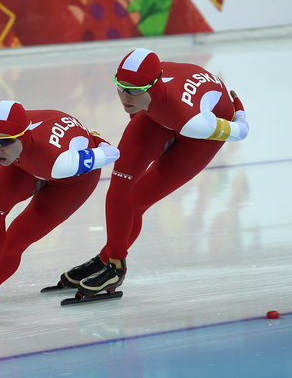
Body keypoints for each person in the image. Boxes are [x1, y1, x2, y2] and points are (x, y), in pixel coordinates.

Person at [60, 48, 249, 297]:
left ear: (152, 85)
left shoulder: (193, 121)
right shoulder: (143, 90)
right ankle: (112, 259)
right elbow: (138, 100)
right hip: (158, 113)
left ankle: (113, 265)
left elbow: (241, 131)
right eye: (120, 86)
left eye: (133, 91)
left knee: (137, 200)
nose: (125, 97)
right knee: (121, 183)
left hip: (198, 133)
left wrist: (240, 111)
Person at [0, 100, 120, 319]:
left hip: (71, 182)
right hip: (27, 163)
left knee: (14, 241)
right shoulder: (9, 133)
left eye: (5, 142)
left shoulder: (59, 161)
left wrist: (97, 140)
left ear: (23, 134)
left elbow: (112, 154)